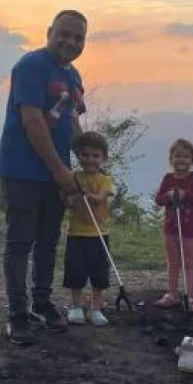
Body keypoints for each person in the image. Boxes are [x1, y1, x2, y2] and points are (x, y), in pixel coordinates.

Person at [0, 9, 88, 346]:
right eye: (64, 34)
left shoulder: (74, 76)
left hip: (56, 173)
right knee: (20, 242)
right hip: (22, 170)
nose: (70, 42)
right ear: (49, 32)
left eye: (78, 38)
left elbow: (73, 122)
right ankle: (18, 314)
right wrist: (61, 171)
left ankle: (43, 303)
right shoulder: (31, 66)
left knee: (49, 241)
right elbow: (32, 121)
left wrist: (89, 166)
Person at [63, 131, 113, 327]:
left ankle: (96, 309)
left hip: (99, 234)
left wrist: (92, 196)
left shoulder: (105, 179)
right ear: (79, 156)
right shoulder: (73, 177)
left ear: (103, 158)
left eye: (95, 156)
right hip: (76, 234)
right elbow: (65, 200)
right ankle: (76, 307)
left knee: (98, 273)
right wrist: (71, 199)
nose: (90, 160)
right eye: (85, 155)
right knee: (76, 270)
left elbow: (102, 196)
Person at [154, 139, 193, 312]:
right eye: (177, 156)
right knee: (173, 262)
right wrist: (168, 196)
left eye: (185, 156)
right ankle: (172, 293)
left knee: (189, 263)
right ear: (171, 159)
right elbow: (158, 199)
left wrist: (186, 195)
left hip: (190, 229)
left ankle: (190, 296)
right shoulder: (168, 179)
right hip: (170, 228)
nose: (181, 160)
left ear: (191, 159)